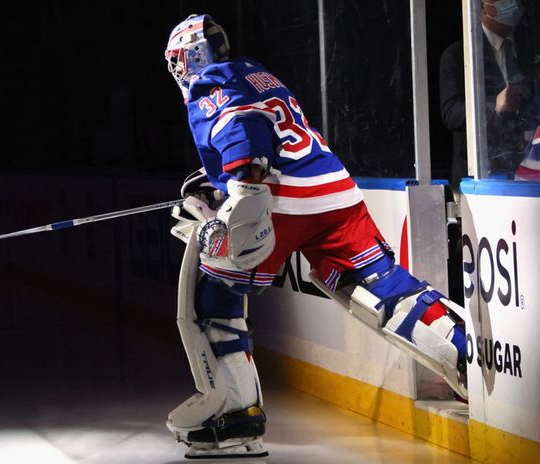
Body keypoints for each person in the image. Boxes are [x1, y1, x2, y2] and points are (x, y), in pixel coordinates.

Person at [164, 14, 469, 459]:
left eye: (179, 62)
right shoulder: (256, 72)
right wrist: (221, 182)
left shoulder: (207, 85)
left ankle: (233, 418)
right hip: (334, 191)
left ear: (191, 56)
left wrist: (240, 190)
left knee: (213, 298)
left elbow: (241, 130)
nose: (179, 73)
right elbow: (272, 130)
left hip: (279, 201)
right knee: (380, 288)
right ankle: (468, 356)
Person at [440, 0, 536, 184]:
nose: (512, 4)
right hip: (480, 176)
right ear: (482, 6)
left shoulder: (527, 51)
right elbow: (451, 113)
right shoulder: (458, 55)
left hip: (526, 172)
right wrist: (495, 105)